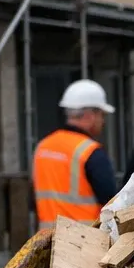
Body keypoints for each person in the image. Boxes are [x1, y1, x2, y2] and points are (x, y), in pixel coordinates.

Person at [32, 80, 119, 229]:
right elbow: (113, 203)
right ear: (90, 115)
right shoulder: (91, 152)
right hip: (83, 243)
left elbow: (32, 202)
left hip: (47, 244)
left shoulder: (42, 147)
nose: (102, 121)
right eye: (101, 115)